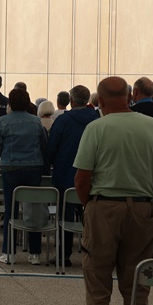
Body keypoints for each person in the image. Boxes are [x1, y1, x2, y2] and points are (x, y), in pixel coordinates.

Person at [73, 76, 153, 305]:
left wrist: (91, 206)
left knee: (98, 288)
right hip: (142, 208)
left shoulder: (96, 128)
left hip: (104, 207)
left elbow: (82, 179)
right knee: (137, 289)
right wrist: (143, 198)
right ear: (130, 96)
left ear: (99, 100)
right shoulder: (152, 126)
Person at [0, 87, 48, 265]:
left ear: (10, 103)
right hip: (33, 167)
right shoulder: (36, 121)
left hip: (10, 167)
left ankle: (8, 252)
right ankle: (35, 253)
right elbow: (44, 145)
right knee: (33, 208)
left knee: (10, 210)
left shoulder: (3, 121)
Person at [47, 85, 99, 267]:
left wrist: (51, 162)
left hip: (65, 174)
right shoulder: (97, 119)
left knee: (65, 217)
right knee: (92, 217)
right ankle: (94, 253)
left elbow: (52, 146)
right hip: (93, 176)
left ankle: (63, 254)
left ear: (71, 100)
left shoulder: (63, 120)